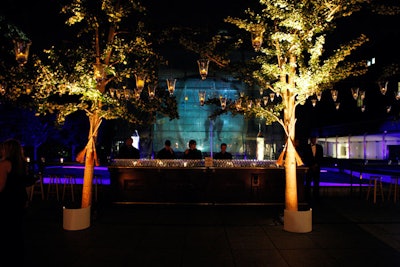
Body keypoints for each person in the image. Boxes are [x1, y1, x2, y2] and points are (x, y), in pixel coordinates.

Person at [0, 139, 29, 266]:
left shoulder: (4, 164)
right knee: (16, 231)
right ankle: (18, 258)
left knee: (6, 232)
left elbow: (0, 186)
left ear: (7, 150)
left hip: (7, 202)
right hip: (20, 200)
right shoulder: (22, 164)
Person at [304, 136, 323, 203]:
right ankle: (307, 197)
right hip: (309, 167)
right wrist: (311, 165)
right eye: (313, 139)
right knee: (308, 182)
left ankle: (316, 197)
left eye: (315, 139)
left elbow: (321, 157)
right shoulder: (306, 147)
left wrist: (316, 164)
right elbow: (305, 157)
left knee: (316, 182)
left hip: (317, 168)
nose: (314, 140)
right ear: (310, 140)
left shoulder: (319, 147)